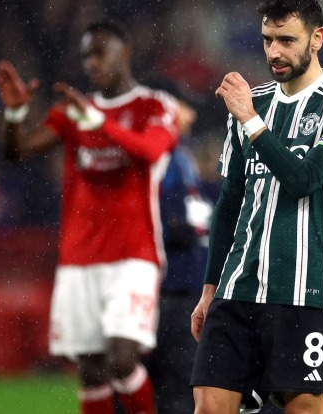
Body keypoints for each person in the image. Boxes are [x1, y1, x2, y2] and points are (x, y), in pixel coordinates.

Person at [189, 0, 323, 414]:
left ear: (317, 38)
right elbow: (230, 202)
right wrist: (210, 287)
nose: (275, 51)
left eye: (287, 40)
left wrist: (250, 120)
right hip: (238, 289)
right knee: (209, 407)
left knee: (302, 408)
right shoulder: (255, 102)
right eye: (268, 39)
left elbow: (304, 180)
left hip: (303, 293)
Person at [0, 20, 179, 414]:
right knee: (91, 371)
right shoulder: (72, 112)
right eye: (86, 56)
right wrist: (14, 116)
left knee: (122, 360)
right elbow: (18, 153)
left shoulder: (155, 105)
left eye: (101, 51)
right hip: (79, 258)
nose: (92, 63)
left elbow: (151, 151)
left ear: (125, 51)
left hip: (133, 254)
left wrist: (100, 123)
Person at [141, 77, 214, 414]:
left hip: (184, 289)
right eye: (185, 107)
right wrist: (184, 229)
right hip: (166, 290)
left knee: (178, 387)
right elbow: (157, 221)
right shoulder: (156, 157)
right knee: (171, 388)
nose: (191, 116)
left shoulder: (179, 154)